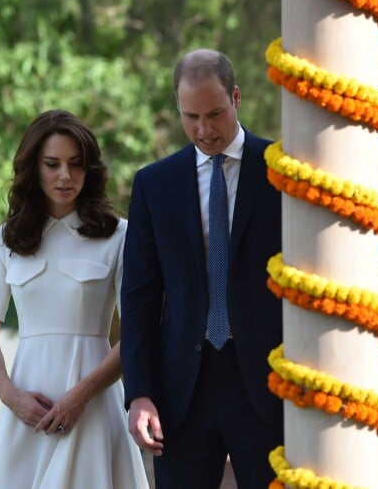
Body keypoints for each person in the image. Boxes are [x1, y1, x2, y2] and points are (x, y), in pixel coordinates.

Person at [120, 49, 283, 488]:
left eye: (214, 114)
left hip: (266, 387)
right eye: (191, 116)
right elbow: (139, 298)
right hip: (180, 393)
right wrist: (138, 393)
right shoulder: (154, 184)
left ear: (236, 98)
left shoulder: (281, 174)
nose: (204, 130)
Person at [0, 109, 149, 488]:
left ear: (90, 170)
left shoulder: (119, 236)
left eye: (76, 165)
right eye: (52, 164)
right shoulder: (6, 241)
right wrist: (10, 396)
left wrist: (82, 395)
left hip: (95, 406)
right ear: (33, 168)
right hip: (26, 413)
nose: (65, 176)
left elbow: (136, 333)